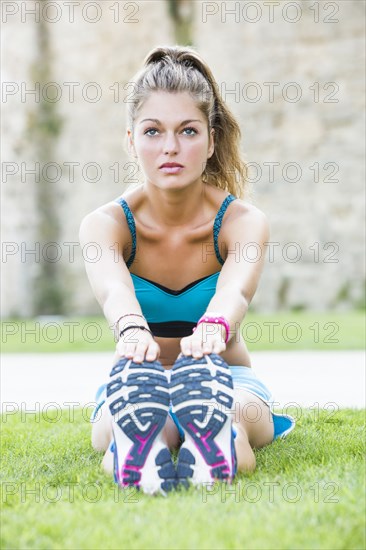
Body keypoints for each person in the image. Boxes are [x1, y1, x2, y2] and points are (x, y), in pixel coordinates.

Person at [79, 45, 295, 495]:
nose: (171, 147)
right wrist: (132, 331)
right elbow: (113, 291)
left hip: (227, 378)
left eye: (188, 131)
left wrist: (215, 326)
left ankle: (216, 439)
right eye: (153, 131)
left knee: (236, 415)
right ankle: (136, 442)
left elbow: (235, 291)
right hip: (140, 378)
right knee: (116, 425)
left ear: (212, 140)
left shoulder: (242, 222)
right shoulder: (105, 225)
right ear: (131, 139)